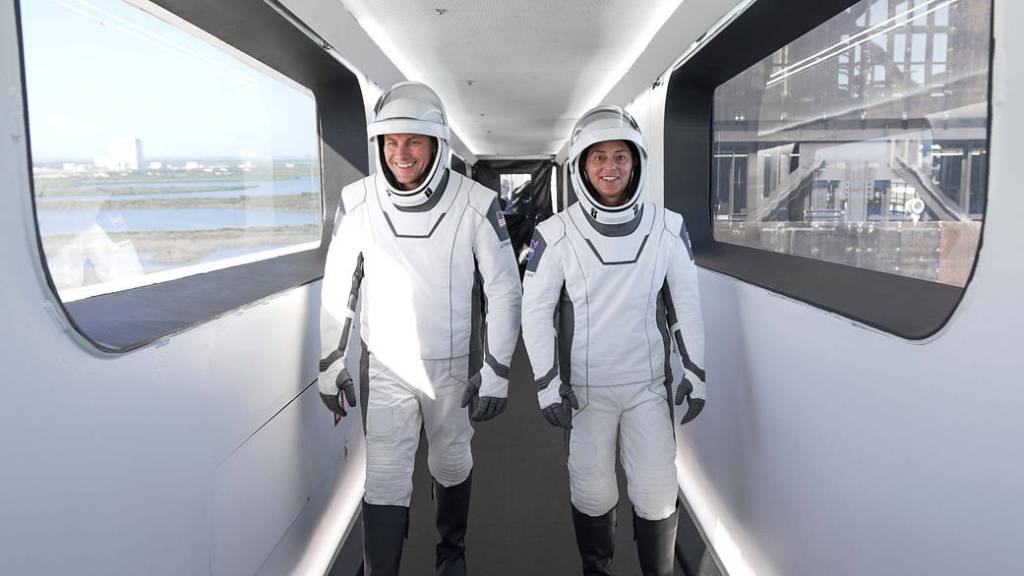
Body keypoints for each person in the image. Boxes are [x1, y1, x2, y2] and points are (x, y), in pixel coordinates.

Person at [318, 82, 521, 575]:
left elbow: (505, 290)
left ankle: (452, 555)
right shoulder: (358, 201)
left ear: (437, 144)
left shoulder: (476, 203)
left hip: (452, 366)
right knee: (385, 479)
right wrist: (330, 363)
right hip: (387, 366)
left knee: (451, 462)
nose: (400, 153)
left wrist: (496, 370)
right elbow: (338, 288)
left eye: (412, 141)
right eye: (390, 142)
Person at [520, 106, 707, 575]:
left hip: (648, 388)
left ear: (636, 162)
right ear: (582, 164)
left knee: (657, 493)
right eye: (598, 157)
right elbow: (535, 312)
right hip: (585, 392)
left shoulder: (669, 227)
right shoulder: (554, 234)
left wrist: (696, 372)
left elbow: (685, 304)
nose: (610, 168)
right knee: (592, 492)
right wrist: (546, 384)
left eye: (620, 156)